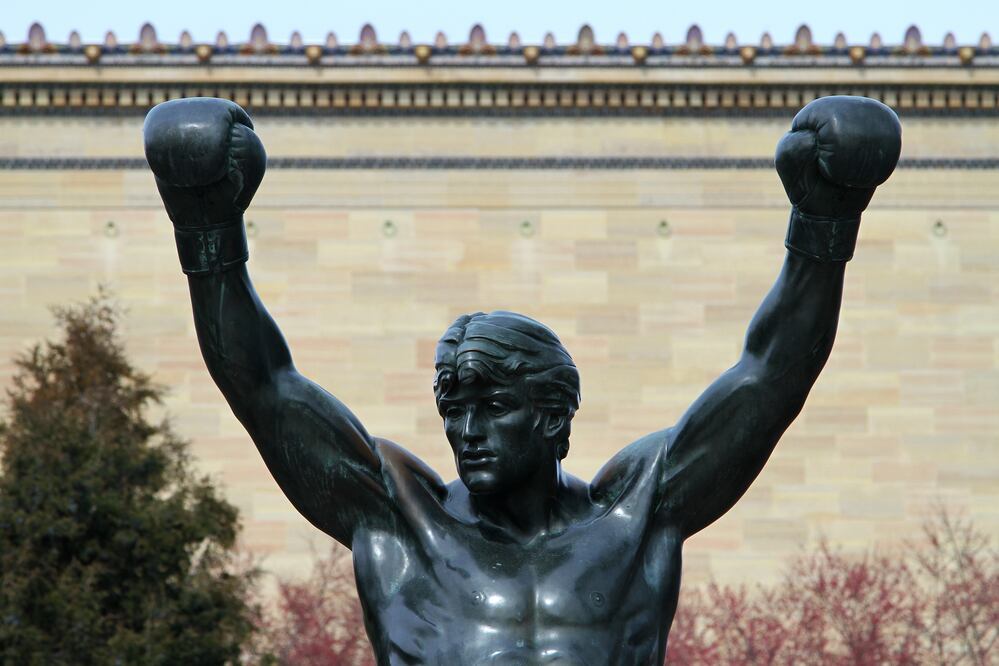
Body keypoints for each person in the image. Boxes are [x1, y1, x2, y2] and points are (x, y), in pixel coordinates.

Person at [144, 95, 901, 665]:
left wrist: (823, 227)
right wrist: (206, 228)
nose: (465, 433)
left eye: (494, 407)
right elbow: (266, 390)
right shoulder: (403, 519)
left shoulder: (635, 515)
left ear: (553, 416)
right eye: (453, 409)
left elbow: (769, 378)